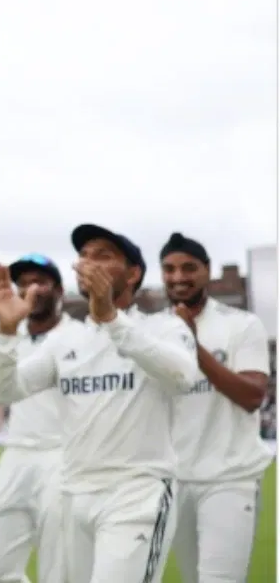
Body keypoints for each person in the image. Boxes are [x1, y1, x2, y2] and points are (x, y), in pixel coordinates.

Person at [0, 223, 199, 582]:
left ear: (133, 274)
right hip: (74, 494)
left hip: (138, 491)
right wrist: (6, 333)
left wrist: (112, 320)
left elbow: (182, 378)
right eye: (83, 256)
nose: (89, 263)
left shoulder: (163, 327)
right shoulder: (67, 340)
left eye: (103, 256)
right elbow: (8, 391)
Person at [160, 233, 271, 583]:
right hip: (176, 481)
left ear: (206, 271)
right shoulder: (151, 331)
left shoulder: (241, 324)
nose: (179, 277)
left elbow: (253, 396)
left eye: (189, 268)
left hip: (229, 478)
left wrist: (195, 348)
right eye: (169, 269)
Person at [0, 254, 80, 583]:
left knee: (57, 569)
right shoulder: (8, 339)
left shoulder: (78, 336)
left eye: (41, 282)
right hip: (16, 455)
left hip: (63, 455)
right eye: (24, 283)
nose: (32, 289)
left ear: (59, 290)